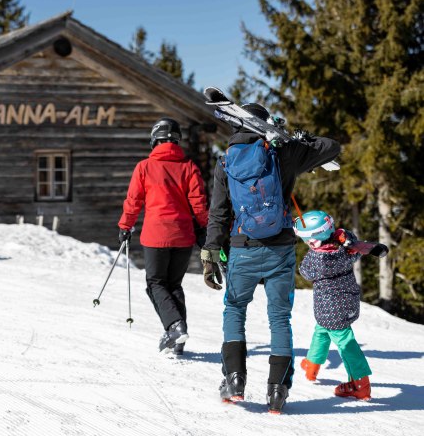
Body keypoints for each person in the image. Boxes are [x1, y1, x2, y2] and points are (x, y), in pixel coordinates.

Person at [200, 102, 340, 413]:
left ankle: (234, 379)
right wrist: (303, 139)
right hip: (280, 250)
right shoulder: (284, 153)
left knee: (235, 309)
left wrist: (210, 252)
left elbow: (219, 214)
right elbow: (332, 147)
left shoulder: (225, 163)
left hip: (242, 249)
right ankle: (277, 391)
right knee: (280, 318)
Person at [118, 117, 209, 356]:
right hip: (183, 235)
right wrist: (206, 229)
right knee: (173, 285)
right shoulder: (189, 166)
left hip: (156, 235)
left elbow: (134, 201)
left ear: (154, 140)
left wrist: (125, 227)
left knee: (155, 284)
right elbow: (199, 203)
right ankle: (178, 339)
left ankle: (175, 327)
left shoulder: (145, 167)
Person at [295, 210, 386, 401]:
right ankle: (312, 365)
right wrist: (343, 238)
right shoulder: (347, 248)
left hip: (330, 308)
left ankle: (360, 385)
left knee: (346, 343)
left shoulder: (318, 260)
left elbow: (304, 271)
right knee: (321, 330)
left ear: (314, 241)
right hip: (348, 301)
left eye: (306, 240)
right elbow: (351, 241)